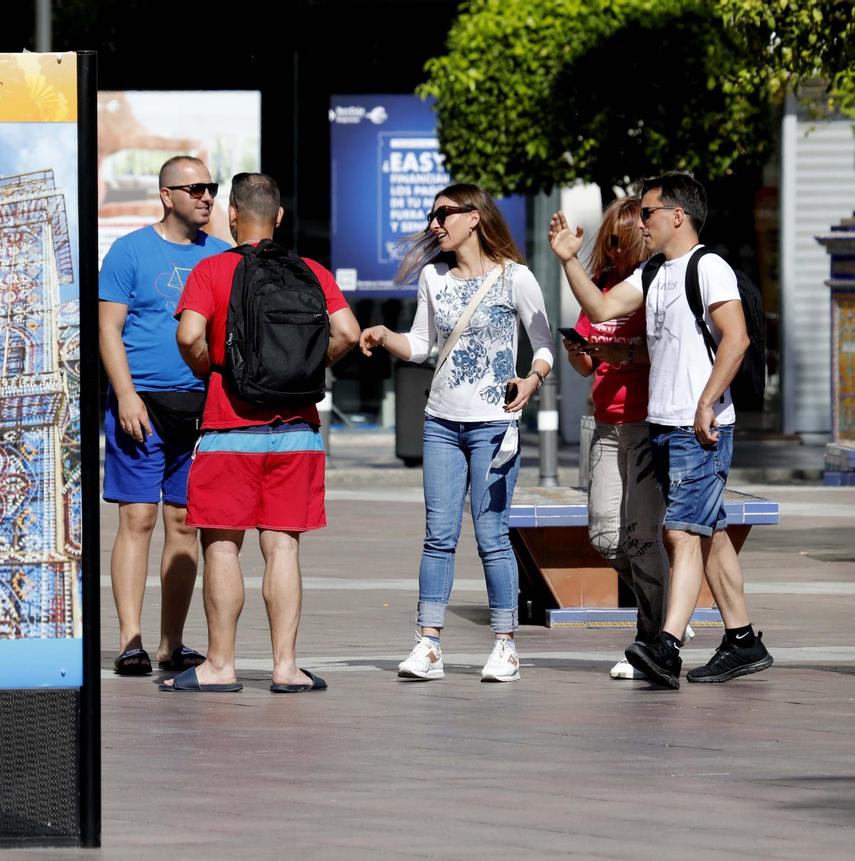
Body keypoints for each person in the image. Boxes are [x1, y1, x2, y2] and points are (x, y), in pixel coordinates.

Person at [549, 171, 772, 689]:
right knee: (708, 533)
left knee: (680, 532)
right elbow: (601, 308)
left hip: (701, 427)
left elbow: (735, 339)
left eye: (647, 213)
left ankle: (666, 646)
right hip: (663, 424)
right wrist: (566, 260)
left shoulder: (708, 266)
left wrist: (707, 402)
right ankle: (742, 641)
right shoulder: (653, 272)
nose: (640, 222)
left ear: (677, 215)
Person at [163, 172, 361, 692]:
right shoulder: (311, 270)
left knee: (222, 547)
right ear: (278, 218)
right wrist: (308, 373)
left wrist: (212, 369)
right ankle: (286, 667)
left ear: (232, 216)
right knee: (284, 549)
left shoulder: (213, 269)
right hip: (297, 431)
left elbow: (188, 334)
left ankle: (220, 666)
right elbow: (348, 333)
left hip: (230, 428)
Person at [359, 183, 555, 684]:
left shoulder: (517, 278)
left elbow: (544, 345)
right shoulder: (434, 277)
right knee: (438, 536)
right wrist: (385, 338)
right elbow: (423, 345)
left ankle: (505, 645)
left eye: (443, 214)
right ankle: (429, 644)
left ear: (474, 217)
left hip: (495, 423)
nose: (434, 225)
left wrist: (530, 380)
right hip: (441, 421)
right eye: (431, 216)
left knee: (492, 535)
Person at [98, 156, 231, 676]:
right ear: (166, 195)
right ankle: (130, 640)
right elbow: (109, 329)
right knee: (138, 518)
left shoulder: (223, 256)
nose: (206, 197)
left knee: (183, 523)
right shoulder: (129, 251)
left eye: (211, 188)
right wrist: (125, 395)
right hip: (142, 402)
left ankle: (171, 645)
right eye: (194, 188)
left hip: (201, 407)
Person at [560, 196, 672, 679]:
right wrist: (580, 351)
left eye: (613, 241)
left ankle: (653, 636)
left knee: (642, 537)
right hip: (605, 422)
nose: (606, 251)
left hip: (646, 420)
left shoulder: (654, 285)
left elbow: (660, 350)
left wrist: (617, 349)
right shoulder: (602, 286)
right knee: (606, 536)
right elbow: (588, 365)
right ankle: (667, 612)